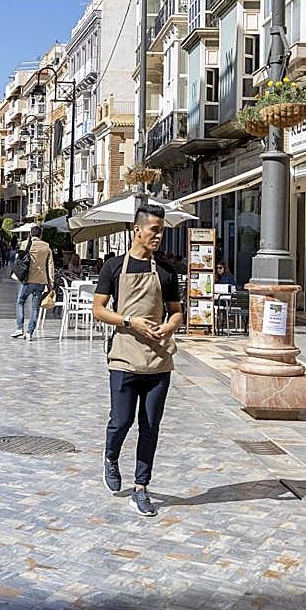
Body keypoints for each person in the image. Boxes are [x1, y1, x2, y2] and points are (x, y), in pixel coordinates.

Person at [92, 204, 184, 517]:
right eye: (154, 230)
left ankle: (141, 487)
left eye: (162, 231)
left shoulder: (167, 271)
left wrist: (169, 327)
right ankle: (110, 456)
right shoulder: (114, 267)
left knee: (150, 426)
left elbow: (176, 312)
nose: (159, 236)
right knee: (121, 420)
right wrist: (131, 321)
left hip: (158, 361)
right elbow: (99, 310)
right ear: (137, 230)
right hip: (124, 356)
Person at [12, 226, 54, 341]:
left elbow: (19, 259)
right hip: (41, 280)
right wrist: (51, 281)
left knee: (20, 301)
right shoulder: (46, 246)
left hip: (28, 279)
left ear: (31, 234)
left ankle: (19, 328)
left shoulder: (25, 244)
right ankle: (30, 333)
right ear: (41, 235)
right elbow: (50, 264)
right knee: (35, 308)